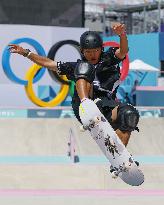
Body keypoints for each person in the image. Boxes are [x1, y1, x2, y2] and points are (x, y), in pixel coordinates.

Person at [8, 23, 139, 149]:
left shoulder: (109, 58)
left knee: (129, 115)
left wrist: (122, 35)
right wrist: (26, 53)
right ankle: (87, 105)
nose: (92, 55)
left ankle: (120, 160)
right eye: (88, 52)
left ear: (101, 49)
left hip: (107, 105)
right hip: (82, 106)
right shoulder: (74, 66)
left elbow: (123, 51)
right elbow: (49, 63)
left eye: (95, 51)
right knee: (83, 67)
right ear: (82, 51)